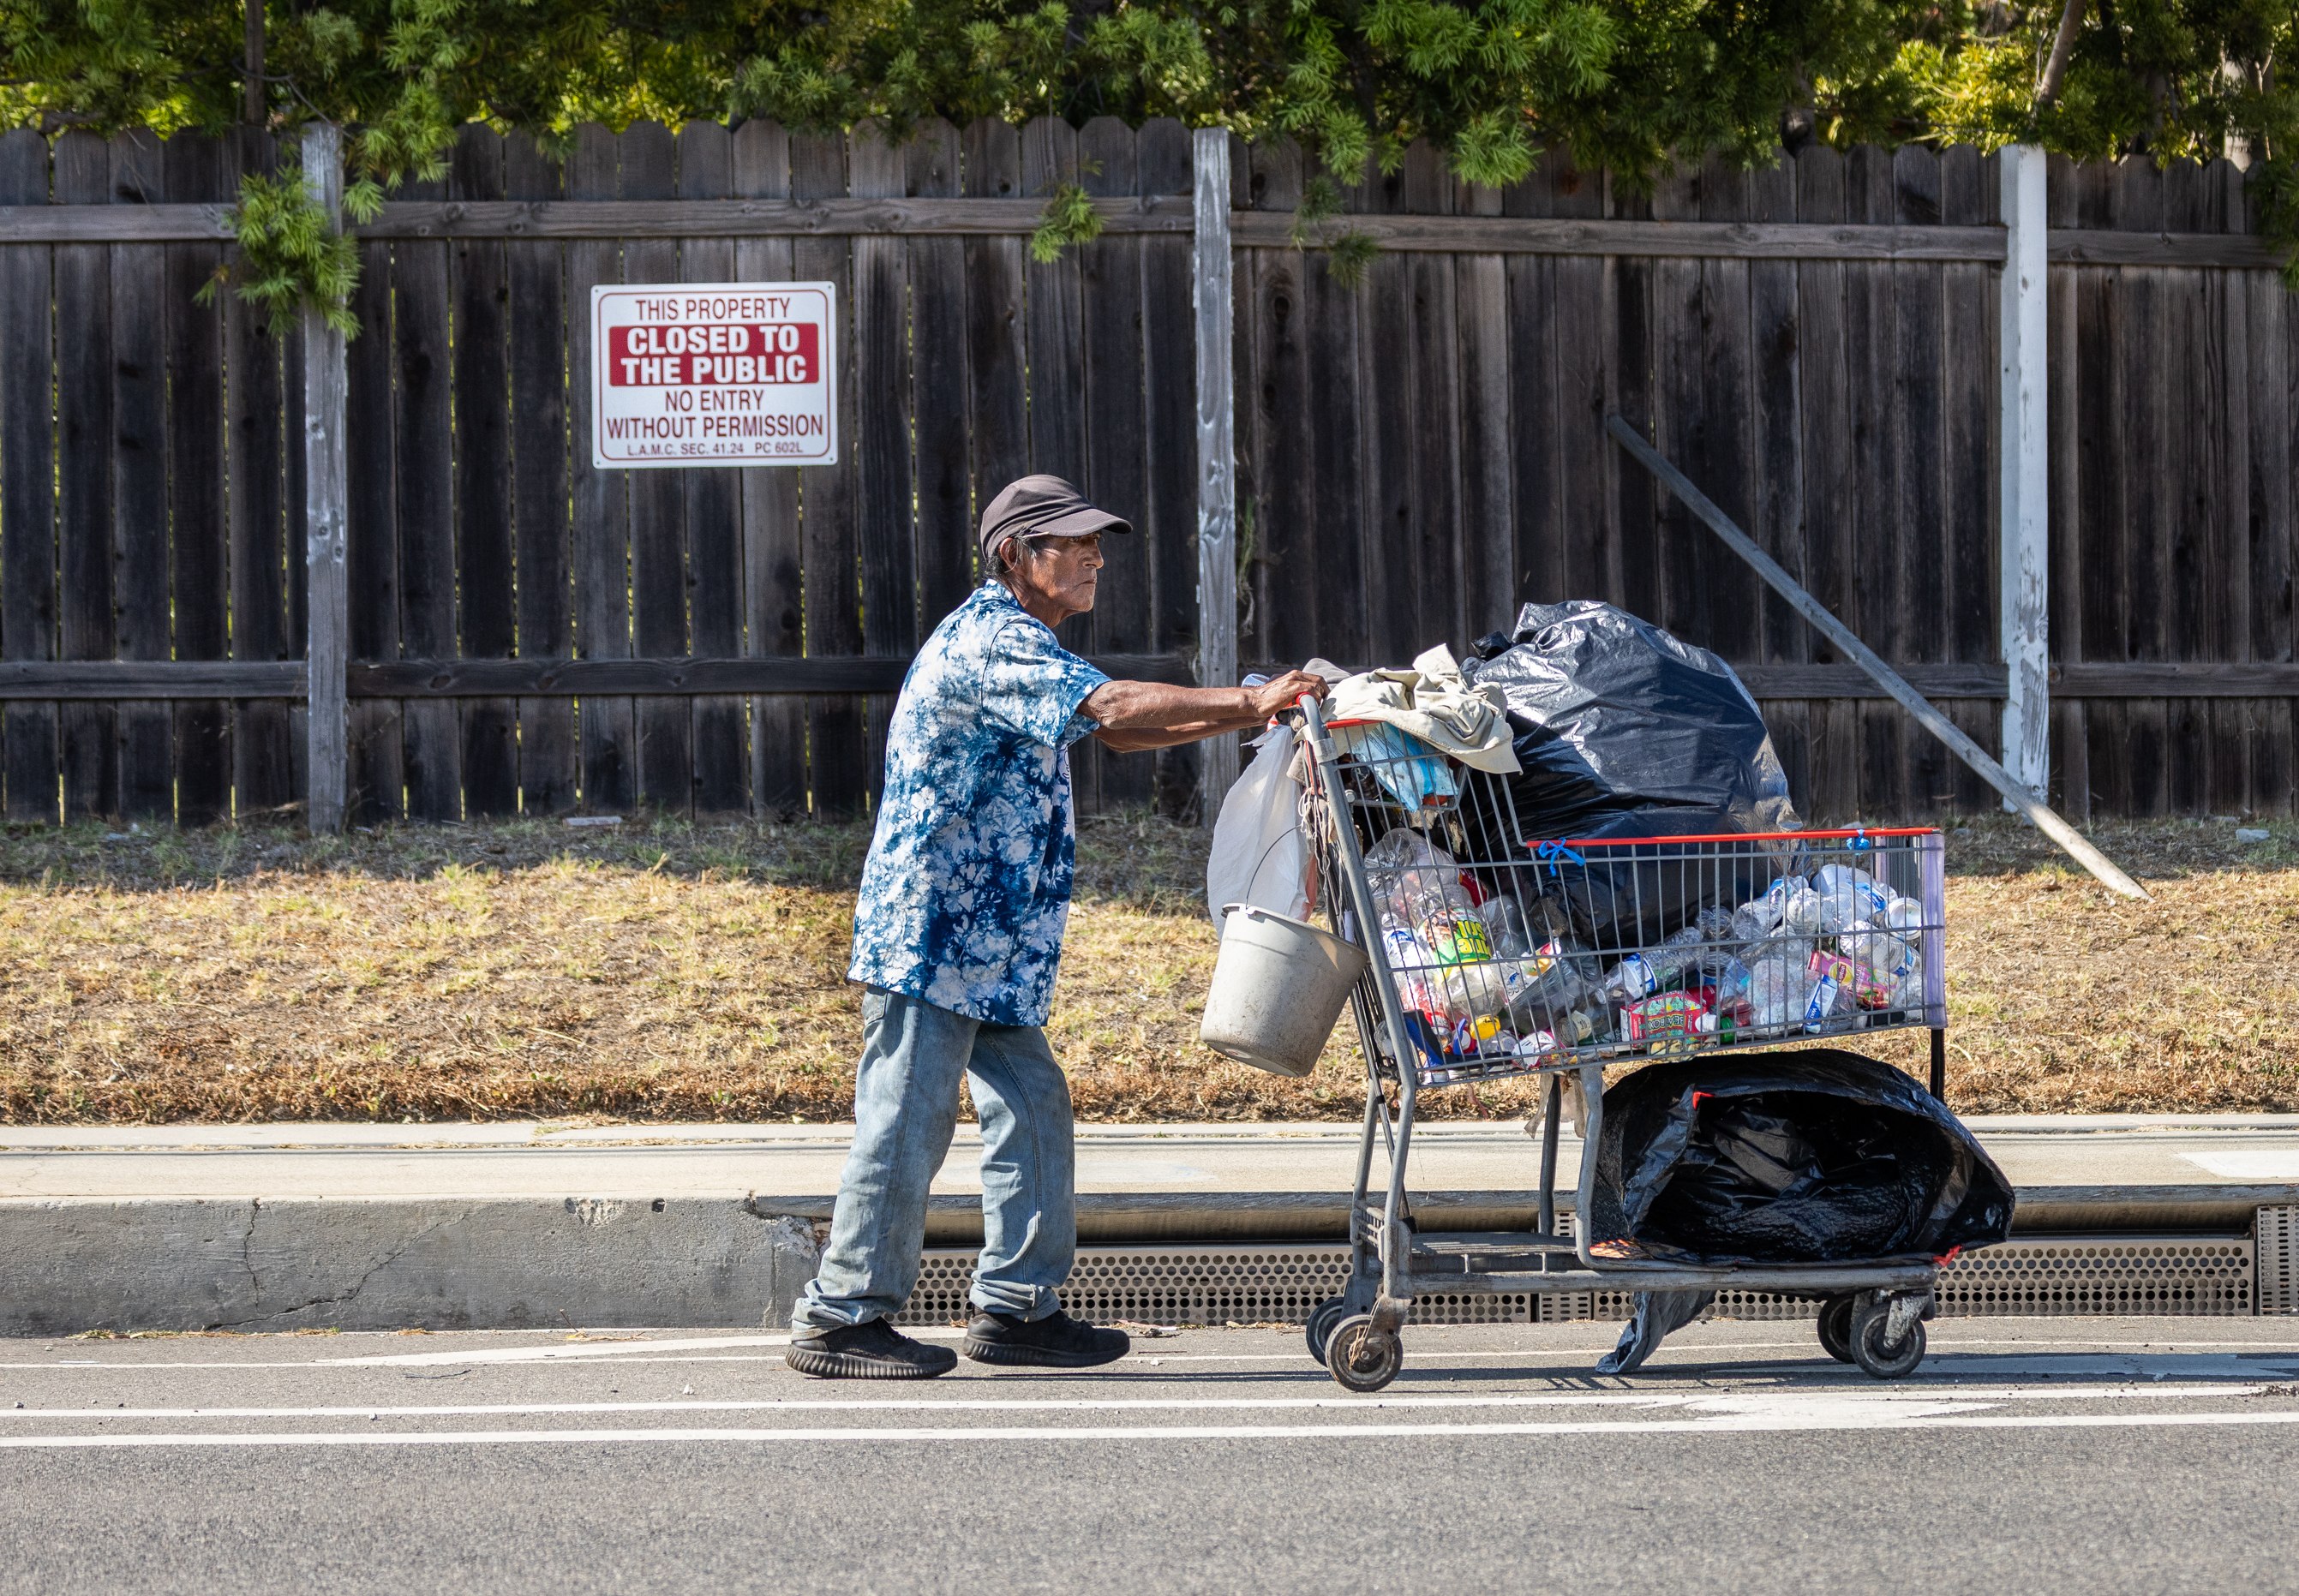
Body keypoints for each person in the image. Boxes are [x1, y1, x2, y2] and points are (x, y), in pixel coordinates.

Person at [785, 474, 1329, 1378]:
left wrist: (1238, 717)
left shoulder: (1026, 643)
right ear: (1012, 556)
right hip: (936, 931)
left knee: (1033, 1109)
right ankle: (839, 1317)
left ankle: (1015, 1308)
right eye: (1068, 546)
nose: (1093, 560)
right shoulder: (992, 637)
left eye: (1094, 545)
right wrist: (1249, 702)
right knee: (905, 1122)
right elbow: (1112, 708)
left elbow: (1111, 734)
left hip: (989, 936)